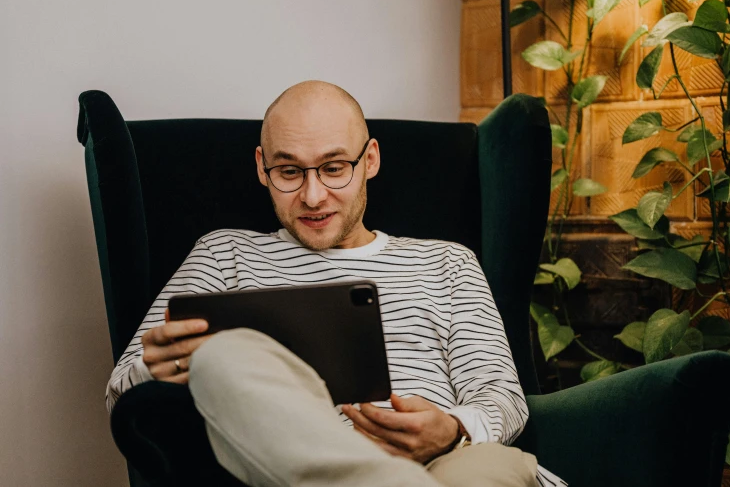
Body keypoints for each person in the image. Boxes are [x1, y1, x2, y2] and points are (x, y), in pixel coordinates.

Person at [106, 81, 566, 487]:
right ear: (261, 167)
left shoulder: (446, 261)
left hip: (447, 468)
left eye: (333, 168)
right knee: (227, 354)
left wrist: (452, 429)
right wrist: (157, 366)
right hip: (289, 474)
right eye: (289, 172)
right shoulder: (223, 254)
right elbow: (122, 393)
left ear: (370, 160)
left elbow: (502, 395)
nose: (312, 195)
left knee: (492, 469)